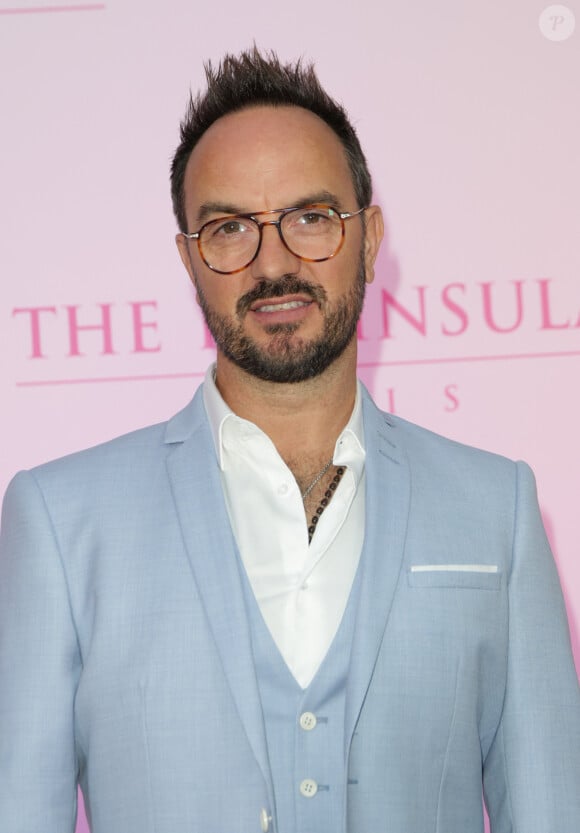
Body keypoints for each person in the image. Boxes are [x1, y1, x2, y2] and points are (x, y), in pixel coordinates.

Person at [1, 47, 579, 833]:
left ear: (370, 237)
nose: (274, 262)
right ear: (190, 260)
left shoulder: (496, 506)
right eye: (230, 227)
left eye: (311, 218)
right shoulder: (62, 520)